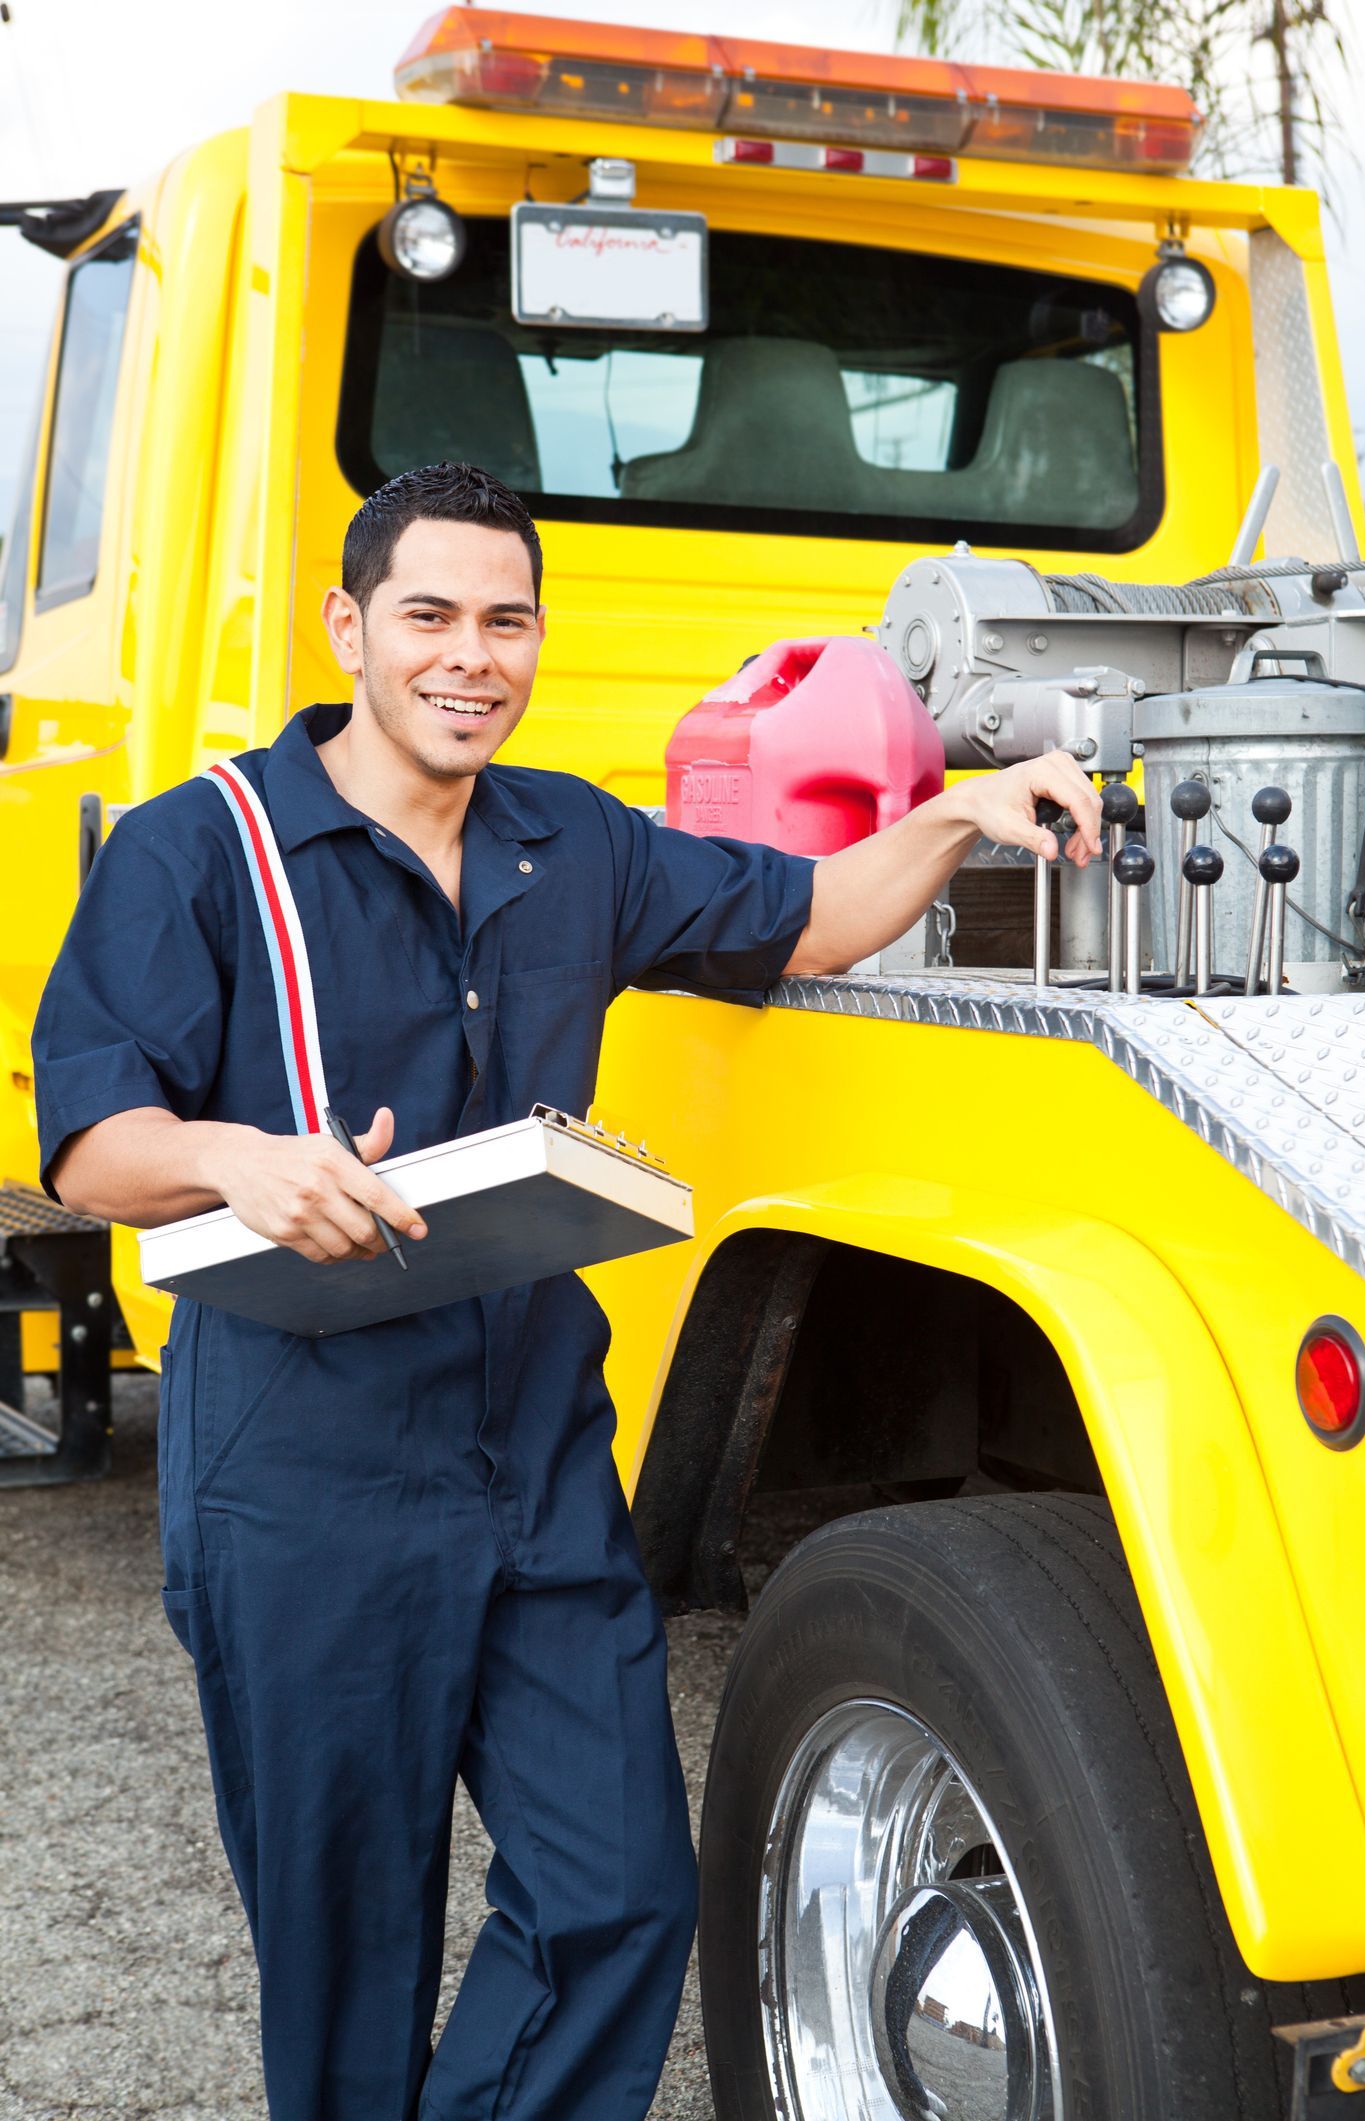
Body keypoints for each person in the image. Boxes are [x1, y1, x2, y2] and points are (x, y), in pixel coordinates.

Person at [32, 461, 1101, 2121]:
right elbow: (92, 1142)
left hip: (534, 1465)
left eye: (505, 620)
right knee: (347, 1964)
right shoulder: (203, 849)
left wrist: (958, 811)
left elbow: (811, 918)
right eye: (430, 616)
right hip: (303, 1480)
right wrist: (239, 1157)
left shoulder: (569, 842)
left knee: (620, 1893)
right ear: (350, 627)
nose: (472, 656)